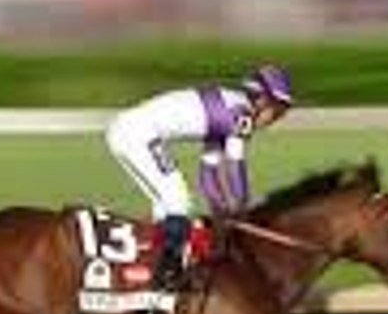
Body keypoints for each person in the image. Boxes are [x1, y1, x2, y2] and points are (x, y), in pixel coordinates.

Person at [105, 64, 294, 291]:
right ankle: (167, 277)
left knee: (166, 206)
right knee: (178, 201)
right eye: (278, 110)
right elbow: (235, 167)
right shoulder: (242, 114)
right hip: (137, 134)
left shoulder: (228, 106)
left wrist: (220, 210)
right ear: (262, 100)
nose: (277, 119)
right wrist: (242, 210)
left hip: (129, 131)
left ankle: (148, 269)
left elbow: (208, 172)